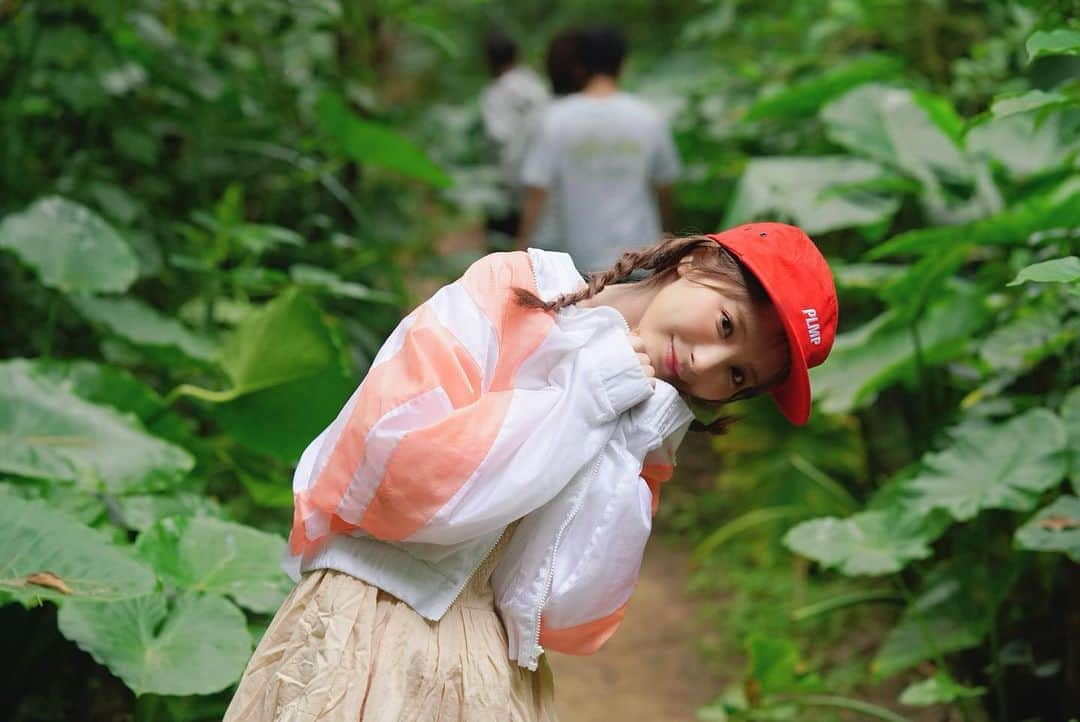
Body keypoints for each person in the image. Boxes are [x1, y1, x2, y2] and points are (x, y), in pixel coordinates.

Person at [223, 222, 838, 721]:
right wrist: (586, 394)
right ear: (695, 264)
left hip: (488, 674)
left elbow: (564, 613)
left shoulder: (650, 416)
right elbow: (400, 483)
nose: (705, 363)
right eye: (726, 325)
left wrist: (629, 445)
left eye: (737, 377)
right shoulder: (513, 288)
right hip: (364, 628)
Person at [516, 26, 681, 272]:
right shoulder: (649, 117)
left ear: (578, 67)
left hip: (575, 263)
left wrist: (520, 251)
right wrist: (670, 244)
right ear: (623, 64)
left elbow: (536, 194)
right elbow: (664, 190)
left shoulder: (554, 120)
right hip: (641, 257)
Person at [480, 31, 550, 243]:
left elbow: (497, 135)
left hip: (508, 185)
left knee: (502, 249)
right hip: (540, 182)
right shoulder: (536, 85)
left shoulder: (495, 93)